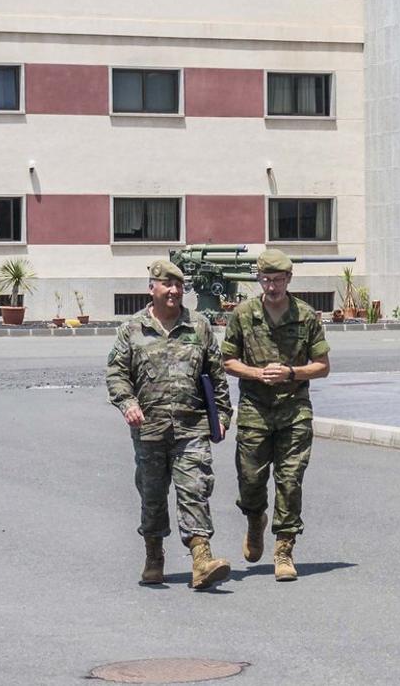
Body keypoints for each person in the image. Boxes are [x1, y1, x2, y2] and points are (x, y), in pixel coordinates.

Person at [107, 259, 233, 590]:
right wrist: (127, 402)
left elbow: (216, 376)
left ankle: (201, 560)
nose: (174, 291)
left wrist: (221, 415)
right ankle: (153, 556)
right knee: (152, 495)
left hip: (192, 428)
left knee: (195, 489)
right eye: (167, 285)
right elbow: (117, 372)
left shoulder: (199, 327)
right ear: (153, 288)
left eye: (179, 286)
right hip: (149, 429)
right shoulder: (132, 329)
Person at [221, 249, 331, 582]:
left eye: (278, 280)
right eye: (267, 280)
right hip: (255, 409)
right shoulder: (243, 314)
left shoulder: (306, 315)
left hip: (294, 411)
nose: (272, 287)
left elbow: (323, 367)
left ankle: (284, 548)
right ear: (259, 280)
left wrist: (291, 373)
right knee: (251, 478)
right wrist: (256, 374)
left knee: (290, 479)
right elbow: (227, 361)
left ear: (289, 279)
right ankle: (255, 519)